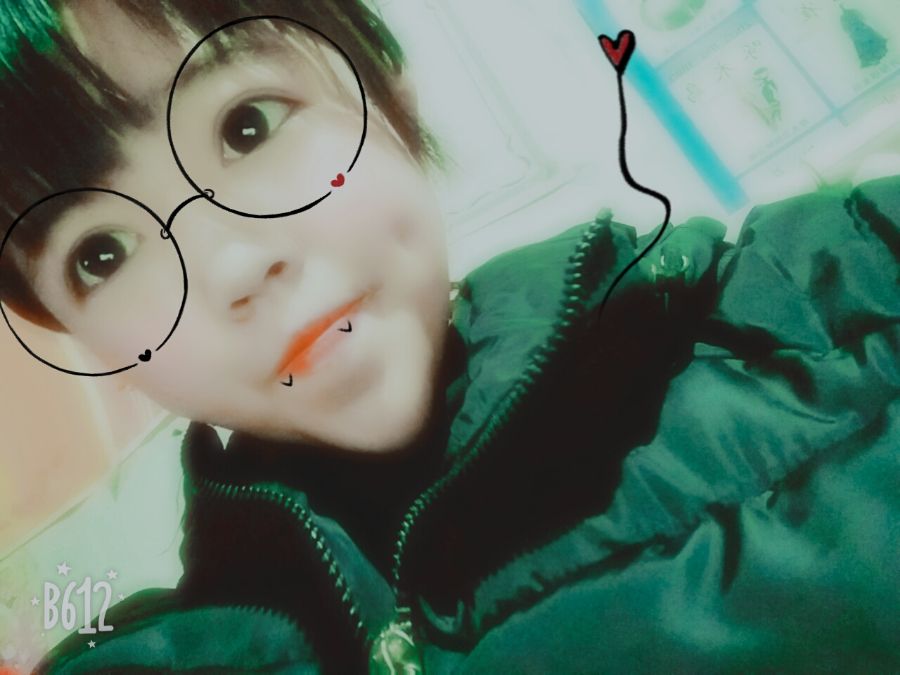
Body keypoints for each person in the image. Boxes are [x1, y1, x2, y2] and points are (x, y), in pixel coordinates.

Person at [0, 1, 896, 673]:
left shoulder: (842, 288)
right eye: (102, 253)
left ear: (391, 94)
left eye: (248, 126)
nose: (233, 265)